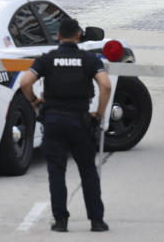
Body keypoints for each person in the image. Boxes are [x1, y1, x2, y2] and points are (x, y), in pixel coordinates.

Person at [17, 18, 112, 233]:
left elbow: (25, 82)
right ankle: (96, 221)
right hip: (79, 120)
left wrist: (34, 102)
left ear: (58, 36)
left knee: (56, 172)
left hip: (53, 121)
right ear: (78, 36)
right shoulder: (88, 59)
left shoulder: (47, 59)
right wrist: (99, 113)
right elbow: (106, 85)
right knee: (88, 171)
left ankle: (61, 221)